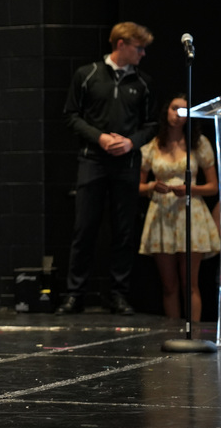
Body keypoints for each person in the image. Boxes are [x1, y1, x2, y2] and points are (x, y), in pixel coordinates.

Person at [59, 22, 155, 316]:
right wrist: (99, 137)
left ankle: (117, 294)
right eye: (139, 48)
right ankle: (75, 295)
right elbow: (71, 116)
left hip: (126, 164)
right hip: (93, 161)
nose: (142, 54)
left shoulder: (142, 82)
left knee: (124, 232)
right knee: (84, 228)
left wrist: (131, 142)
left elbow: (151, 125)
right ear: (121, 44)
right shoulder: (87, 75)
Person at [138, 93, 220, 320]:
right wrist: (153, 186)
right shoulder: (153, 146)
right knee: (169, 285)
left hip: (190, 213)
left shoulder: (198, 144)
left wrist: (190, 189)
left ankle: (192, 335)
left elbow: (213, 187)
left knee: (190, 283)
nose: (177, 115)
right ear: (167, 110)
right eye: (174, 108)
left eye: (183, 111)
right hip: (161, 215)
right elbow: (139, 186)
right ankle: (172, 331)